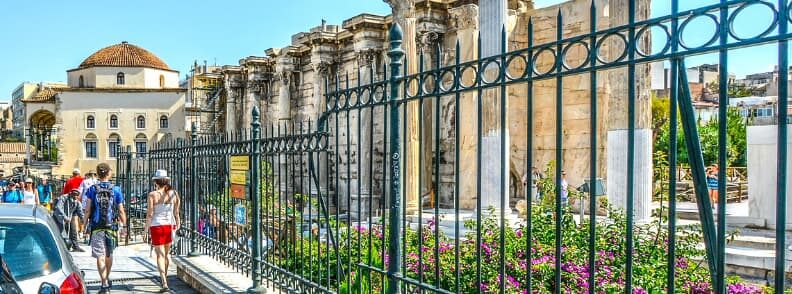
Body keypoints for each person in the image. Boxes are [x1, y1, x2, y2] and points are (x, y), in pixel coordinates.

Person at [83, 163, 126, 292]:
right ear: (109, 173)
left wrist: (84, 225)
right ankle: (107, 277)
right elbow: (121, 210)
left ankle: (104, 283)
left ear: (97, 174)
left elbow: (87, 210)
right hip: (111, 226)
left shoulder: (92, 189)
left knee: (99, 255)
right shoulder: (116, 189)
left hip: (96, 227)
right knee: (109, 254)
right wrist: (124, 226)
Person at [144, 170, 180, 292]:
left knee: (160, 255)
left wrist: (145, 230)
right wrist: (178, 224)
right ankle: (166, 278)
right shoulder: (174, 194)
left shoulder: (152, 195)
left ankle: (164, 281)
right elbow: (176, 212)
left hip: (157, 226)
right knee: (167, 254)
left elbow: (150, 214)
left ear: (156, 182)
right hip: (169, 226)